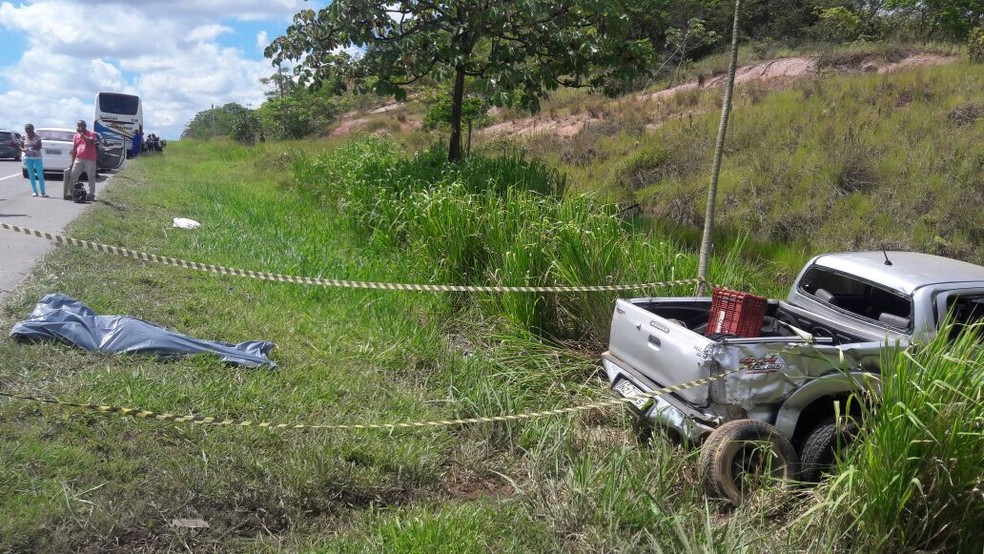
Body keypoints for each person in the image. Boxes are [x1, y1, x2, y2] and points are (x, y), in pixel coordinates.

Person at [66, 119, 98, 201]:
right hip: (79, 158)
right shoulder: (75, 136)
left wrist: (82, 135)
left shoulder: (91, 133)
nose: (79, 127)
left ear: (85, 126)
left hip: (90, 159)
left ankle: (91, 195)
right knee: (73, 176)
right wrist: (72, 162)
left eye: (81, 125)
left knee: (91, 177)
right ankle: (74, 193)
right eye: (78, 125)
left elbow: (90, 142)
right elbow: (74, 149)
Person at [15, 124, 48, 197]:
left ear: (32, 129)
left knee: (40, 175)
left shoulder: (37, 137)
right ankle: (35, 191)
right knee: (31, 175)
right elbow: (21, 146)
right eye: (26, 128)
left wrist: (31, 147)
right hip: (28, 158)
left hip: (37, 158)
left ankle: (43, 192)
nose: (27, 130)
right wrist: (23, 149)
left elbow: (40, 146)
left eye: (29, 128)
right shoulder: (23, 137)